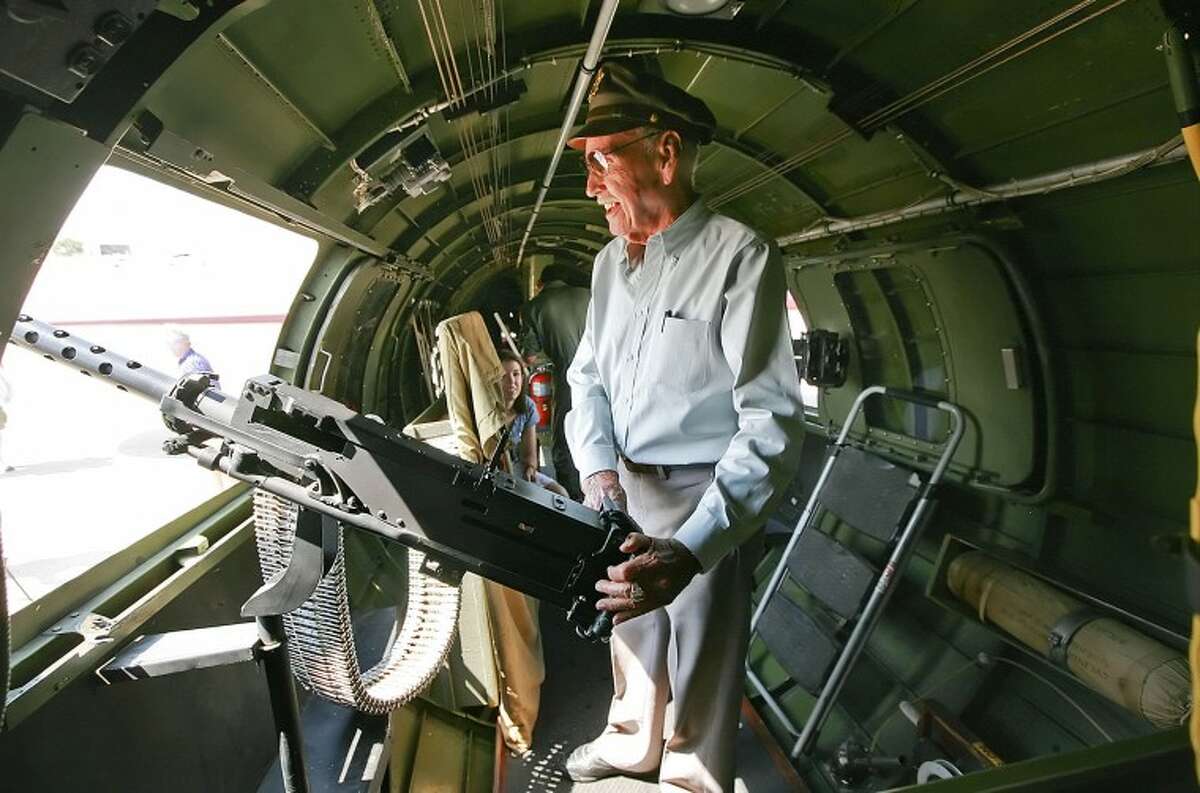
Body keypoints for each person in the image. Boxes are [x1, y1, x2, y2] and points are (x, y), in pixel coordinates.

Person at [562, 61, 806, 792]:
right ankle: (634, 738)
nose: (590, 185)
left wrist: (695, 545)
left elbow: (770, 421)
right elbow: (588, 378)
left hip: (707, 491)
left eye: (602, 160)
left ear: (664, 154)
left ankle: (693, 777)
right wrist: (601, 471)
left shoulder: (742, 257)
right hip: (626, 483)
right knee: (630, 623)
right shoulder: (609, 265)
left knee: (704, 647)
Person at [519, 263, 590, 500]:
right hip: (609, 374)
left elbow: (528, 357)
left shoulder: (533, 306)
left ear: (540, 284)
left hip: (569, 376)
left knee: (565, 435)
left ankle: (572, 497)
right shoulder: (588, 295)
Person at [499, 350, 568, 498]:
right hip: (498, 474)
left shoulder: (527, 406)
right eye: (504, 376)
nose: (512, 381)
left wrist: (530, 468)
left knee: (560, 494)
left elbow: (529, 455)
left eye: (516, 374)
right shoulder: (489, 411)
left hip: (520, 471)